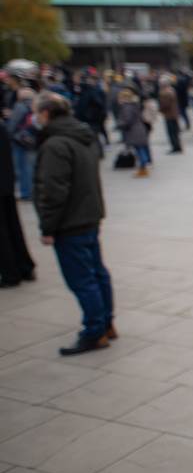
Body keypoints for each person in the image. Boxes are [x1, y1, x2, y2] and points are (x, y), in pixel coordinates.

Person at [32, 93, 115, 355]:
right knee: (97, 273)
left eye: (36, 113)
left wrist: (48, 226)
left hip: (71, 220)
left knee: (83, 279)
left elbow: (53, 190)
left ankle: (95, 331)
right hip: (88, 214)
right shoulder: (82, 135)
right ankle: (106, 323)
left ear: (46, 113)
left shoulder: (56, 144)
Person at [0, 124, 35, 287]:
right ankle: (24, 267)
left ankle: (10, 273)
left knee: (4, 231)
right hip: (6, 183)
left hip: (4, 183)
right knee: (12, 227)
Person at [6, 87, 37, 200]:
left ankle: (25, 193)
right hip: (31, 140)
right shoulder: (35, 106)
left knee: (20, 168)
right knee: (30, 168)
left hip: (18, 140)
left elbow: (12, 125)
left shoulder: (19, 106)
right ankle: (29, 192)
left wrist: (8, 136)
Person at [116, 89, 151, 178]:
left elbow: (127, 120)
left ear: (124, 98)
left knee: (139, 150)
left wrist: (119, 124)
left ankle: (143, 168)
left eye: (120, 98)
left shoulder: (127, 107)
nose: (119, 100)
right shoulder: (134, 105)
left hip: (134, 131)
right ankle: (144, 166)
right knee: (141, 148)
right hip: (139, 129)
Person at [158, 78, 182, 154]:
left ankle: (175, 147)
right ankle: (177, 146)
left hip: (169, 114)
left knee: (171, 132)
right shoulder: (172, 90)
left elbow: (165, 104)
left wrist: (160, 109)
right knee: (175, 132)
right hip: (174, 114)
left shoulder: (165, 92)